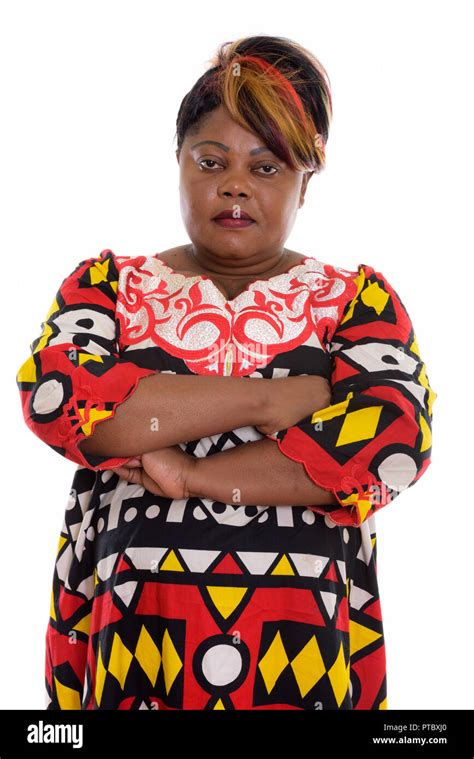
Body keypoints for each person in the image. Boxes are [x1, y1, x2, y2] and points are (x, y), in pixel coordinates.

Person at [16, 35, 437, 710]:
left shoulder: (357, 303)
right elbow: (71, 406)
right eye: (211, 160)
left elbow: (392, 443)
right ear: (178, 162)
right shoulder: (108, 288)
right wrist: (274, 403)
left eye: (267, 168)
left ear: (306, 179)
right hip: (135, 645)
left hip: (301, 663)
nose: (235, 183)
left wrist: (192, 473)